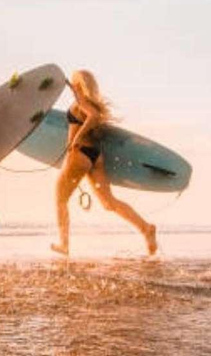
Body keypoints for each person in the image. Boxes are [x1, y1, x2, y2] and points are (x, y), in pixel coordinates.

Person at [52, 70, 157, 256]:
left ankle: (64, 244)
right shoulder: (91, 103)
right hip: (95, 156)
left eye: (74, 83)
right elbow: (94, 115)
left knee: (60, 199)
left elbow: (92, 116)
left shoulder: (81, 103)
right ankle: (145, 228)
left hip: (78, 155)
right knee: (109, 203)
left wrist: (77, 137)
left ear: (78, 85)